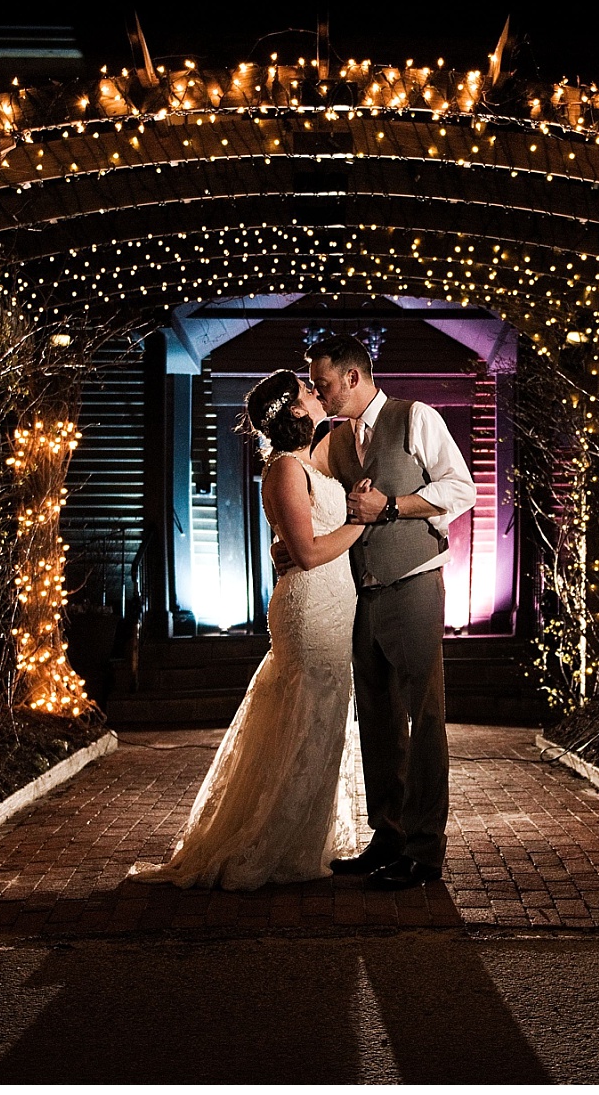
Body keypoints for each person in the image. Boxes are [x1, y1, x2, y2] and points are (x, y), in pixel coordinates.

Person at [127, 371, 367, 891]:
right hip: (310, 609)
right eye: (308, 390)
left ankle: (307, 835)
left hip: (335, 606)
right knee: (304, 717)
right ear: (297, 412)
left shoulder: (309, 462)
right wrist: (362, 522)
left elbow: (297, 540)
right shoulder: (283, 468)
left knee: (323, 722)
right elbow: (304, 553)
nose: (316, 392)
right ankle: (270, 841)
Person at [296, 333, 476, 891]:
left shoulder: (413, 416)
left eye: (322, 384)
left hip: (414, 583)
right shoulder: (336, 438)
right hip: (362, 594)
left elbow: (461, 488)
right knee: (375, 719)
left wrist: (393, 506)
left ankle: (425, 852)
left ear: (352, 377)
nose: (319, 395)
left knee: (424, 718)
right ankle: (389, 836)